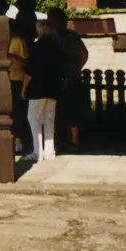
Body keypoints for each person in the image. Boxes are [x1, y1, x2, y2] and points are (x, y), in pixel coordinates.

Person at [20, 18, 65, 163]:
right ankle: (50, 151)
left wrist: (24, 88)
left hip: (37, 88)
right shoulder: (57, 47)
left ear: (39, 31)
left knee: (33, 119)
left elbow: (29, 71)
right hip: (53, 87)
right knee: (49, 119)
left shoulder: (36, 47)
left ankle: (37, 151)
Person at [47, 8, 89, 149]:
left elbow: (83, 53)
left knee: (66, 109)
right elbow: (84, 54)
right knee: (69, 110)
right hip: (67, 76)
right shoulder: (72, 36)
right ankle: (71, 140)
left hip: (63, 77)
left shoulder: (54, 38)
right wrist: (78, 68)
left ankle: (70, 141)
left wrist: (76, 69)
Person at [7, 12, 33, 155]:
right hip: (9, 79)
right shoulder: (7, 41)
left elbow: (25, 62)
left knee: (18, 113)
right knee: (11, 112)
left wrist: (11, 56)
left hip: (18, 79)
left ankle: (20, 141)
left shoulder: (17, 42)